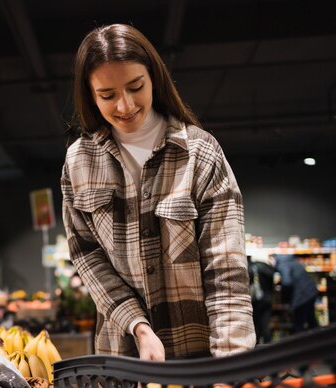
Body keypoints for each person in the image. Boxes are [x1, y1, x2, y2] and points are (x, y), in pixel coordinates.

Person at [61, 24, 255, 361]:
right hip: (124, 356)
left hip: (201, 356)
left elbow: (226, 269)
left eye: (136, 87)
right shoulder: (79, 163)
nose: (125, 105)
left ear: (154, 78)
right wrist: (138, 326)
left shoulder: (200, 153)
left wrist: (231, 363)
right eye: (107, 95)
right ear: (90, 95)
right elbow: (88, 257)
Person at [273, 254, 319, 333]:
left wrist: (284, 298)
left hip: (302, 295)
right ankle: (320, 340)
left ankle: (299, 343)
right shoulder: (293, 261)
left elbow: (287, 282)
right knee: (311, 318)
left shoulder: (283, 264)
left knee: (299, 322)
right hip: (311, 291)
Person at [248, 256, 275, 344]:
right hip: (267, 299)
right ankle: (269, 346)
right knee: (265, 324)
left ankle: (257, 347)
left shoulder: (249, 267)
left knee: (256, 325)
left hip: (255, 301)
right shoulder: (265, 267)